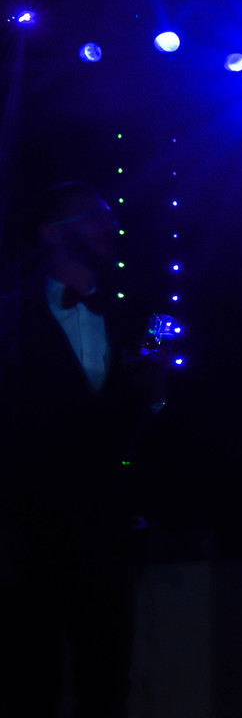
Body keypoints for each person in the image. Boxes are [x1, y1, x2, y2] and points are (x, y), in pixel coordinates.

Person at [0, 181, 166, 717]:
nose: (109, 227)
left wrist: (155, 399)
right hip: (27, 539)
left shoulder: (130, 317)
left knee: (107, 684)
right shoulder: (9, 320)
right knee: (30, 687)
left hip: (106, 536)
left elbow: (139, 431)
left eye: (110, 218)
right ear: (51, 233)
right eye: (92, 218)